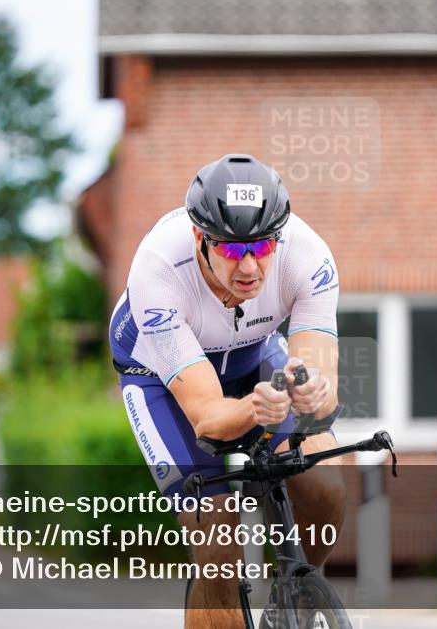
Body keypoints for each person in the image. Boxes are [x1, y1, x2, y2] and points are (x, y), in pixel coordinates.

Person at [108, 154, 345, 628]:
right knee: (217, 542)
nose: (251, 266)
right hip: (158, 373)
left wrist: (315, 394)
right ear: (201, 238)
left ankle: (297, 591)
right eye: (234, 251)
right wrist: (256, 409)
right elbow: (208, 419)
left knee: (326, 485)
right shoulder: (158, 267)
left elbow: (325, 389)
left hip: (253, 354)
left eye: (262, 247)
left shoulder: (308, 254)